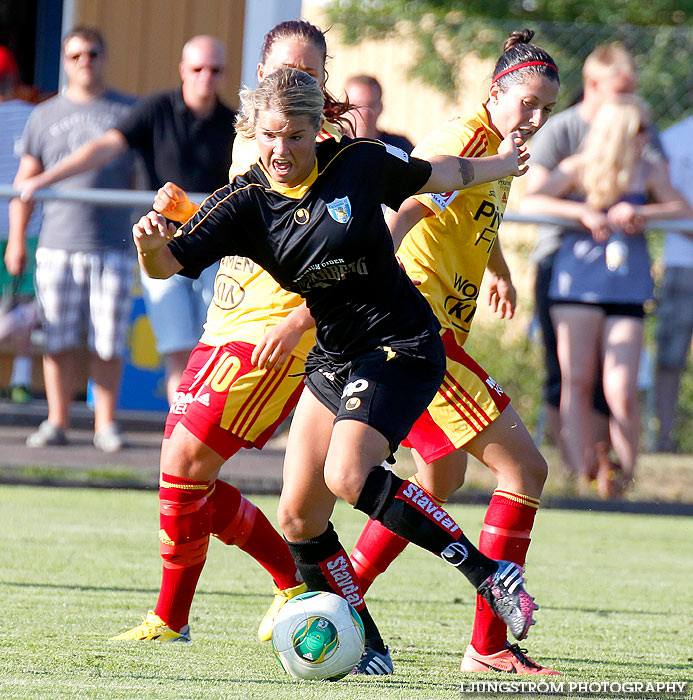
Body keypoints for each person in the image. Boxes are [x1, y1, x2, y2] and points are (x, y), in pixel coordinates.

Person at [132, 67, 537, 676]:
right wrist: (148, 242)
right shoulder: (244, 203)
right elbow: (166, 265)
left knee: (349, 473)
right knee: (299, 517)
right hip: (336, 356)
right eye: (271, 135)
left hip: (401, 342)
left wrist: (503, 165)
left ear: (316, 131)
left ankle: (490, 575)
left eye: (296, 135)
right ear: (253, 132)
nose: (282, 149)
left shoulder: (358, 161)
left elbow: (443, 173)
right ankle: (367, 641)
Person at [109, 19, 354, 650]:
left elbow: (355, 257)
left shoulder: (330, 150)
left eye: (310, 73)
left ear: (323, 80)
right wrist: (187, 220)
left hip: (272, 334)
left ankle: (173, 619)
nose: (297, 82)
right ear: (263, 75)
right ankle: (288, 584)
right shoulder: (258, 135)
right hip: (224, 320)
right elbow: (252, 227)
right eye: (286, 72)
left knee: (184, 463)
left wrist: (300, 319)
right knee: (186, 474)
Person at [348, 29, 562, 675]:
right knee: (524, 470)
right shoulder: (466, 140)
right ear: (494, 92)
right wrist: (377, 274)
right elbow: (411, 205)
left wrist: (493, 264)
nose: (535, 117)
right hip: (420, 334)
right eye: (525, 102)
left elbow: (467, 207)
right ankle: (489, 645)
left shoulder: (498, 147)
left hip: (430, 330)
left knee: (438, 479)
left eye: (546, 108)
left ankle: (337, 592)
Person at [18, 35, 237, 403]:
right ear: (184, 70)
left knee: (215, 350)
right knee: (177, 351)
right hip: (164, 247)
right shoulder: (155, 109)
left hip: (219, 252)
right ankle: (179, 438)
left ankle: (208, 440)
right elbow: (105, 147)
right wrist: (43, 179)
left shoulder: (236, 124)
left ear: (223, 74)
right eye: (198, 68)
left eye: (214, 70)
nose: (206, 77)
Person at [522, 95, 692, 495]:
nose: (648, 137)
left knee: (622, 389)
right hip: (575, 287)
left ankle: (628, 479)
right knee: (576, 379)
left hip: (627, 289)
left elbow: (683, 210)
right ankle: (580, 474)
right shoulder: (578, 168)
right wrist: (582, 213)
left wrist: (642, 214)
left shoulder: (648, 171)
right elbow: (533, 199)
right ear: (620, 132)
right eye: (641, 129)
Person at [7, 26, 136, 451]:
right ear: (65, 61)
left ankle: (105, 425)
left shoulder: (127, 111)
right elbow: (26, 183)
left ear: (104, 57)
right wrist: (17, 240)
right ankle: (57, 420)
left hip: (113, 244)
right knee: (58, 338)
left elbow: (143, 181)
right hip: (58, 243)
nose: (86, 61)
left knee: (108, 340)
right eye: (77, 55)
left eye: (93, 54)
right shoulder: (44, 115)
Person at [653, 85, 693, 453]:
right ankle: (662, 439)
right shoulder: (674, 138)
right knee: (669, 358)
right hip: (682, 265)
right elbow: (659, 196)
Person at [0, 45, 39, 404]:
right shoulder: (34, 115)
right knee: (23, 306)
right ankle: (21, 380)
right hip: (28, 226)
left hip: (15, 229)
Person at [344, 74, 414, 154]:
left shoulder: (400, 148)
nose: (365, 113)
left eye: (371, 105)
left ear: (381, 107)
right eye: (356, 106)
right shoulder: (331, 145)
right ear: (343, 107)